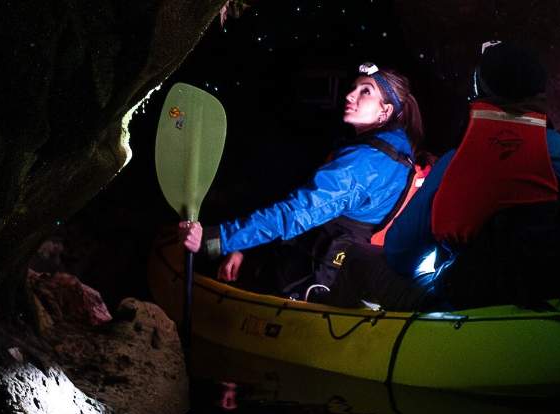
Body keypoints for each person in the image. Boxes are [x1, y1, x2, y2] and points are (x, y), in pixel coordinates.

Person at [179, 63, 431, 309]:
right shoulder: (394, 151)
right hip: (327, 262)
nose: (350, 95)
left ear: (385, 111)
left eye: (365, 91)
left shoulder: (365, 163)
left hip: (312, 273)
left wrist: (218, 239)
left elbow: (297, 214)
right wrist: (243, 247)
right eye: (353, 88)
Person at [380, 40, 560, 309]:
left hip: (468, 303)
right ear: (540, 92)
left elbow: (399, 252)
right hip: (553, 297)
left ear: (479, 90)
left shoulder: (454, 162)